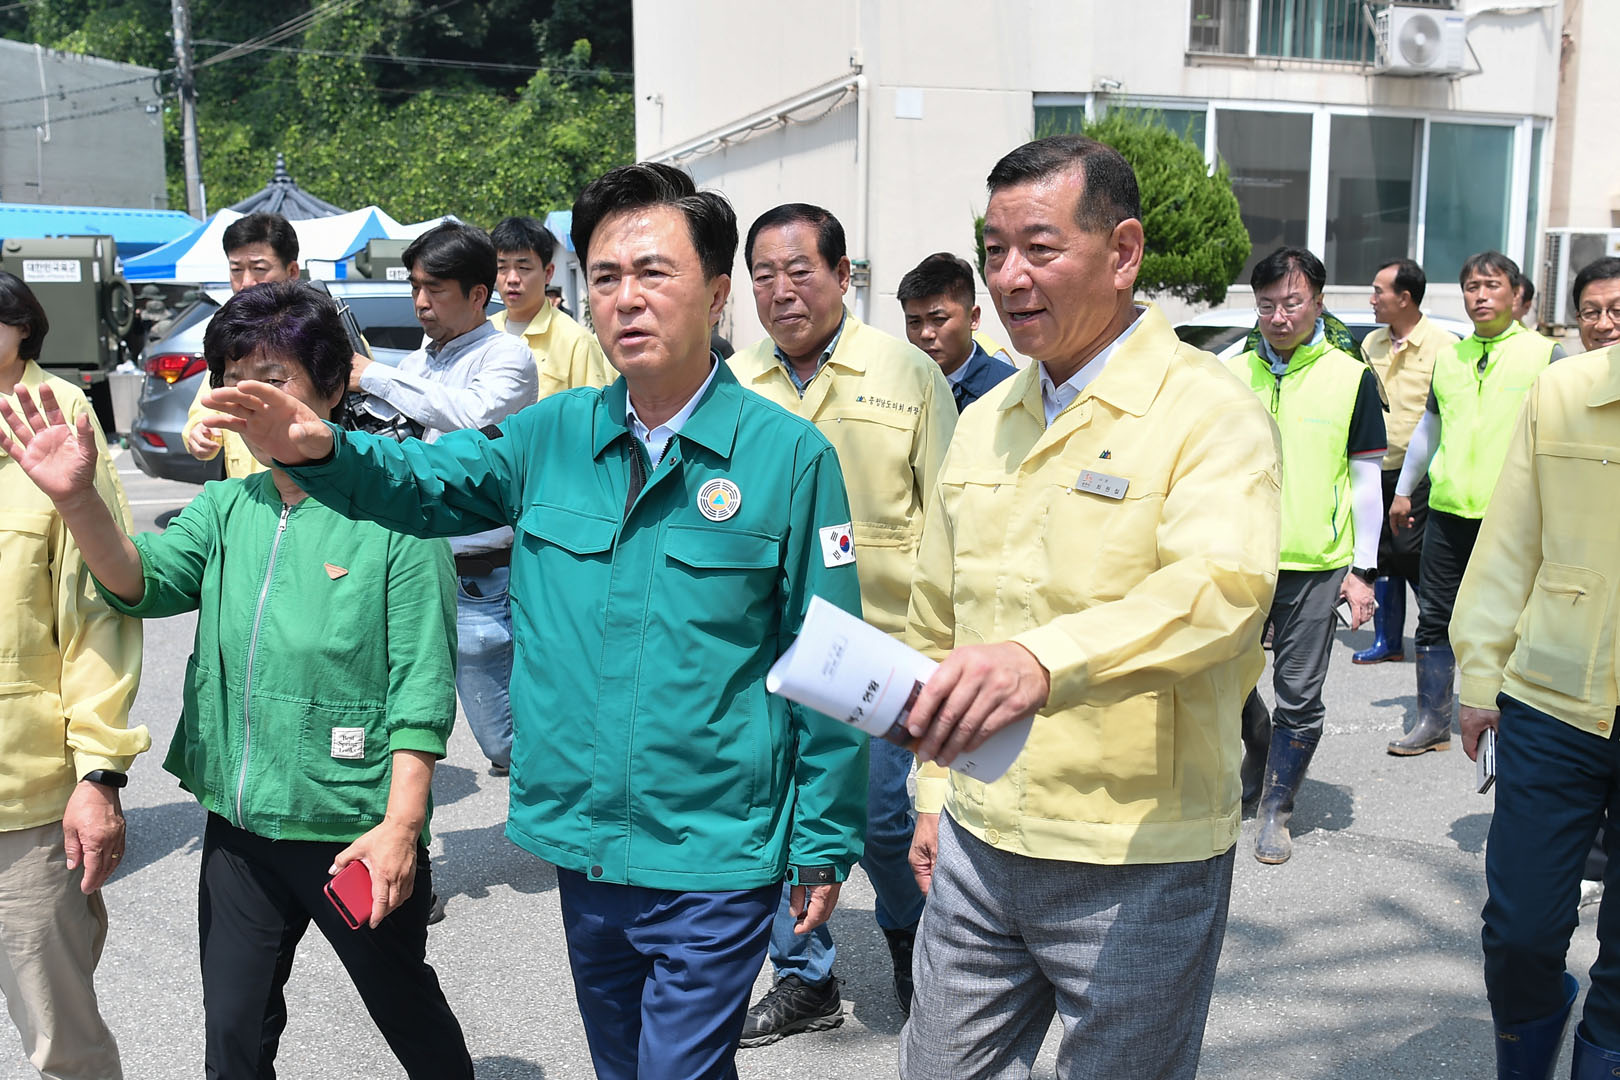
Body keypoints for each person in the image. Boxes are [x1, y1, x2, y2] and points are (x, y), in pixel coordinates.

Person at [203, 162, 869, 1080]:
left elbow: (829, 656)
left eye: (655, 273)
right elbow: (426, 484)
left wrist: (823, 837)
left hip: (715, 847)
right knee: (622, 1064)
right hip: (583, 842)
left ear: (718, 294)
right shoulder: (550, 436)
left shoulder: (789, 457)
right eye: (606, 276)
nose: (627, 298)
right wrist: (323, 449)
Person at [0, 280, 474, 1078]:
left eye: (274, 379)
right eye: (232, 379)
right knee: (233, 1034)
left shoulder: (396, 515)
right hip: (241, 826)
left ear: (332, 387)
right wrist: (78, 500)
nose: (249, 401)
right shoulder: (227, 508)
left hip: (352, 826)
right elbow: (140, 583)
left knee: (407, 1014)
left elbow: (421, 686)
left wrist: (401, 825)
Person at [898, 134, 1281, 1080]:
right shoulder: (983, 422)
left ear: (1123, 253)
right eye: (994, 252)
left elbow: (1221, 592)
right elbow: (938, 624)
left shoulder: (1209, 411)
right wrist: (933, 792)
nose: (1008, 277)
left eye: (1040, 248)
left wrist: (1044, 661)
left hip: (1139, 853)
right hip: (980, 837)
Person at [729, 203, 954, 1043]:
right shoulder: (731, 383)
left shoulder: (908, 375)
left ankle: (914, 947)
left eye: (800, 271)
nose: (781, 290)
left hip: (880, 649)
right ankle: (804, 977)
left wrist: (940, 650)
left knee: (885, 821)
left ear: (842, 274)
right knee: (777, 817)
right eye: (764, 275)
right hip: (763, 650)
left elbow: (948, 519)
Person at [1450, 333, 1620, 1078]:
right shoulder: (1563, 391)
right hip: (1553, 703)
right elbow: (1510, 541)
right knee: (1518, 933)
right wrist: (1480, 678)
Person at [0, 270, 149, 1080]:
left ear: (21, 325)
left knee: (62, 1041)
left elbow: (100, 614)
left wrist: (98, 773)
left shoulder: (59, 419)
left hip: (20, 798)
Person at [350, 221, 538, 781]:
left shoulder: (508, 356)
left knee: (501, 736)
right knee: (401, 716)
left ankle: (561, 803)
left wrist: (374, 377)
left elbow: (471, 416)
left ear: (478, 294)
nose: (420, 302)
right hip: (410, 568)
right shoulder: (417, 363)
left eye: (435, 289)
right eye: (414, 287)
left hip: (478, 575)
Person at [1227, 247, 1384, 863]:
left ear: (1317, 303)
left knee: (1299, 692)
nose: (1278, 316)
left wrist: (1363, 569)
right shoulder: (1229, 373)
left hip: (1316, 565)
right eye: (1266, 304)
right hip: (1236, 559)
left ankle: (1276, 807)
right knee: (1223, 678)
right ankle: (1259, 744)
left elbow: (1365, 480)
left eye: (1291, 303)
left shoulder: (1351, 378)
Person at [1388, 251, 1562, 757]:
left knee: (1517, 619)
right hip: (1448, 511)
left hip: (1514, 515)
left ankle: (1517, 717)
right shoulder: (1450, 357)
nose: (1480, 296)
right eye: (1471, 287)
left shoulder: (1546, 355)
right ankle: (1432, 720)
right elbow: (1430, 428)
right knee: (1435, 617)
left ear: (1517, 294)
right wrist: (1404, 490)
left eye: (1492, 285)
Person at [1355, 258, 1459, 669]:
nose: (1372, 299)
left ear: (1405, 297)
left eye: (1378, 291)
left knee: (1411, 552)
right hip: (1375, 465)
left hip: (1418, 472)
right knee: (1381, 553)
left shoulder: (1444, 346)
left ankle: (1440, 632)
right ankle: (1388, 640)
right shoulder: (1372, 343)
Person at [182, 211, 302, 479]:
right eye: (236, 269)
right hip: (247, 489)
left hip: (312, 491)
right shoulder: (229, 335)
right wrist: (199, 431)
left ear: (292, 271)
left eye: (259, 269)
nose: (247, 282)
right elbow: (206, 405)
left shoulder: (321, 329)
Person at [489, 215, 617, 399]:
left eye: (523, 268)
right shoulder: (485, 332)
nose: (512, 279)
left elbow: (592, 410)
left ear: (548, 273)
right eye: (502, 268)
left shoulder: (575, 342)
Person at [898, 252, 1017, 412]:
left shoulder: (1011, 390)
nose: (925, 334)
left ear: (973, 318)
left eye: (939, 319)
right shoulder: (896, 386)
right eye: (914, 322)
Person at [1572, 256, 1620, 354]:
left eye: (1617, 311)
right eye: (1591, 312)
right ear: (1578, 320)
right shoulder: (1564, 364)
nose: (1603, 325)